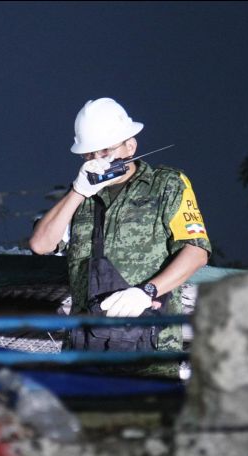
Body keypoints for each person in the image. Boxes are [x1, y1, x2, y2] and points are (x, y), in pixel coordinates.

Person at [30, 98, 211, 353]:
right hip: (86, 350)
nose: (97, 160)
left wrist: (147, 291)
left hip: (149, 349)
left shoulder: (167, 184)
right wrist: (78, 192)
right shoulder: (81, 195)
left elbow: (196, 251)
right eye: (89, 154)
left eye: (105, 151)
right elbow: (41, 244)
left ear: (130, 146)